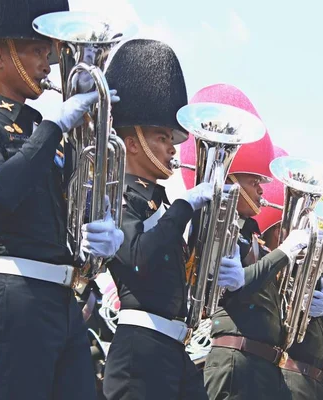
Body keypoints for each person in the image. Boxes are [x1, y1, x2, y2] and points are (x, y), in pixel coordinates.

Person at [0, 1, 123, 398]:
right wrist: (56, 124)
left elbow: (70, 205)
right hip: (16, 298)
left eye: (48, 52)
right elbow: (2, 190)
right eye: (36, 50)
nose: (48, 63)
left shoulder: (48, 132)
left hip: (64, 302)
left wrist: (102, 229)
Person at [101, 39, 213, 400]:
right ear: (132, 141)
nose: (172, 147)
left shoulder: (159, 202)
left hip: (173, 352)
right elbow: (136, 255)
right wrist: (184, 208)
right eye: (162, 137)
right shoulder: (116, 195)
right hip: (140, 355)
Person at [182, 84, 308, 400]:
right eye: (255, 181)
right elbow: (237, 285)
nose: (262, 192)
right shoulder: (213, 230)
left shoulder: (246, 236)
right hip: (236, 362)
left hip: (263, 365)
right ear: (232, 177)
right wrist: (285, 250)